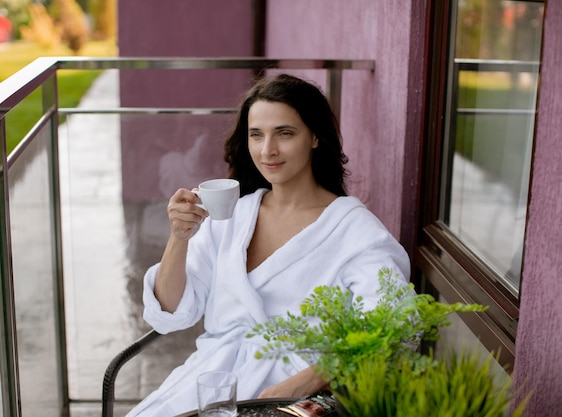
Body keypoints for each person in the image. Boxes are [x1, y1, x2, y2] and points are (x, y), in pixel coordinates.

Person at [126, 73, 410, 416]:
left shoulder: (354, 232)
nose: (267, 150)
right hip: (212, 382)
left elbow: (392, 331)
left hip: (297, 397)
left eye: (285, 133)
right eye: (256, 135)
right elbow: (171, 313)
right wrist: (179, 238)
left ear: (316, 136)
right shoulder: (232, 216)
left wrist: (303, 383)